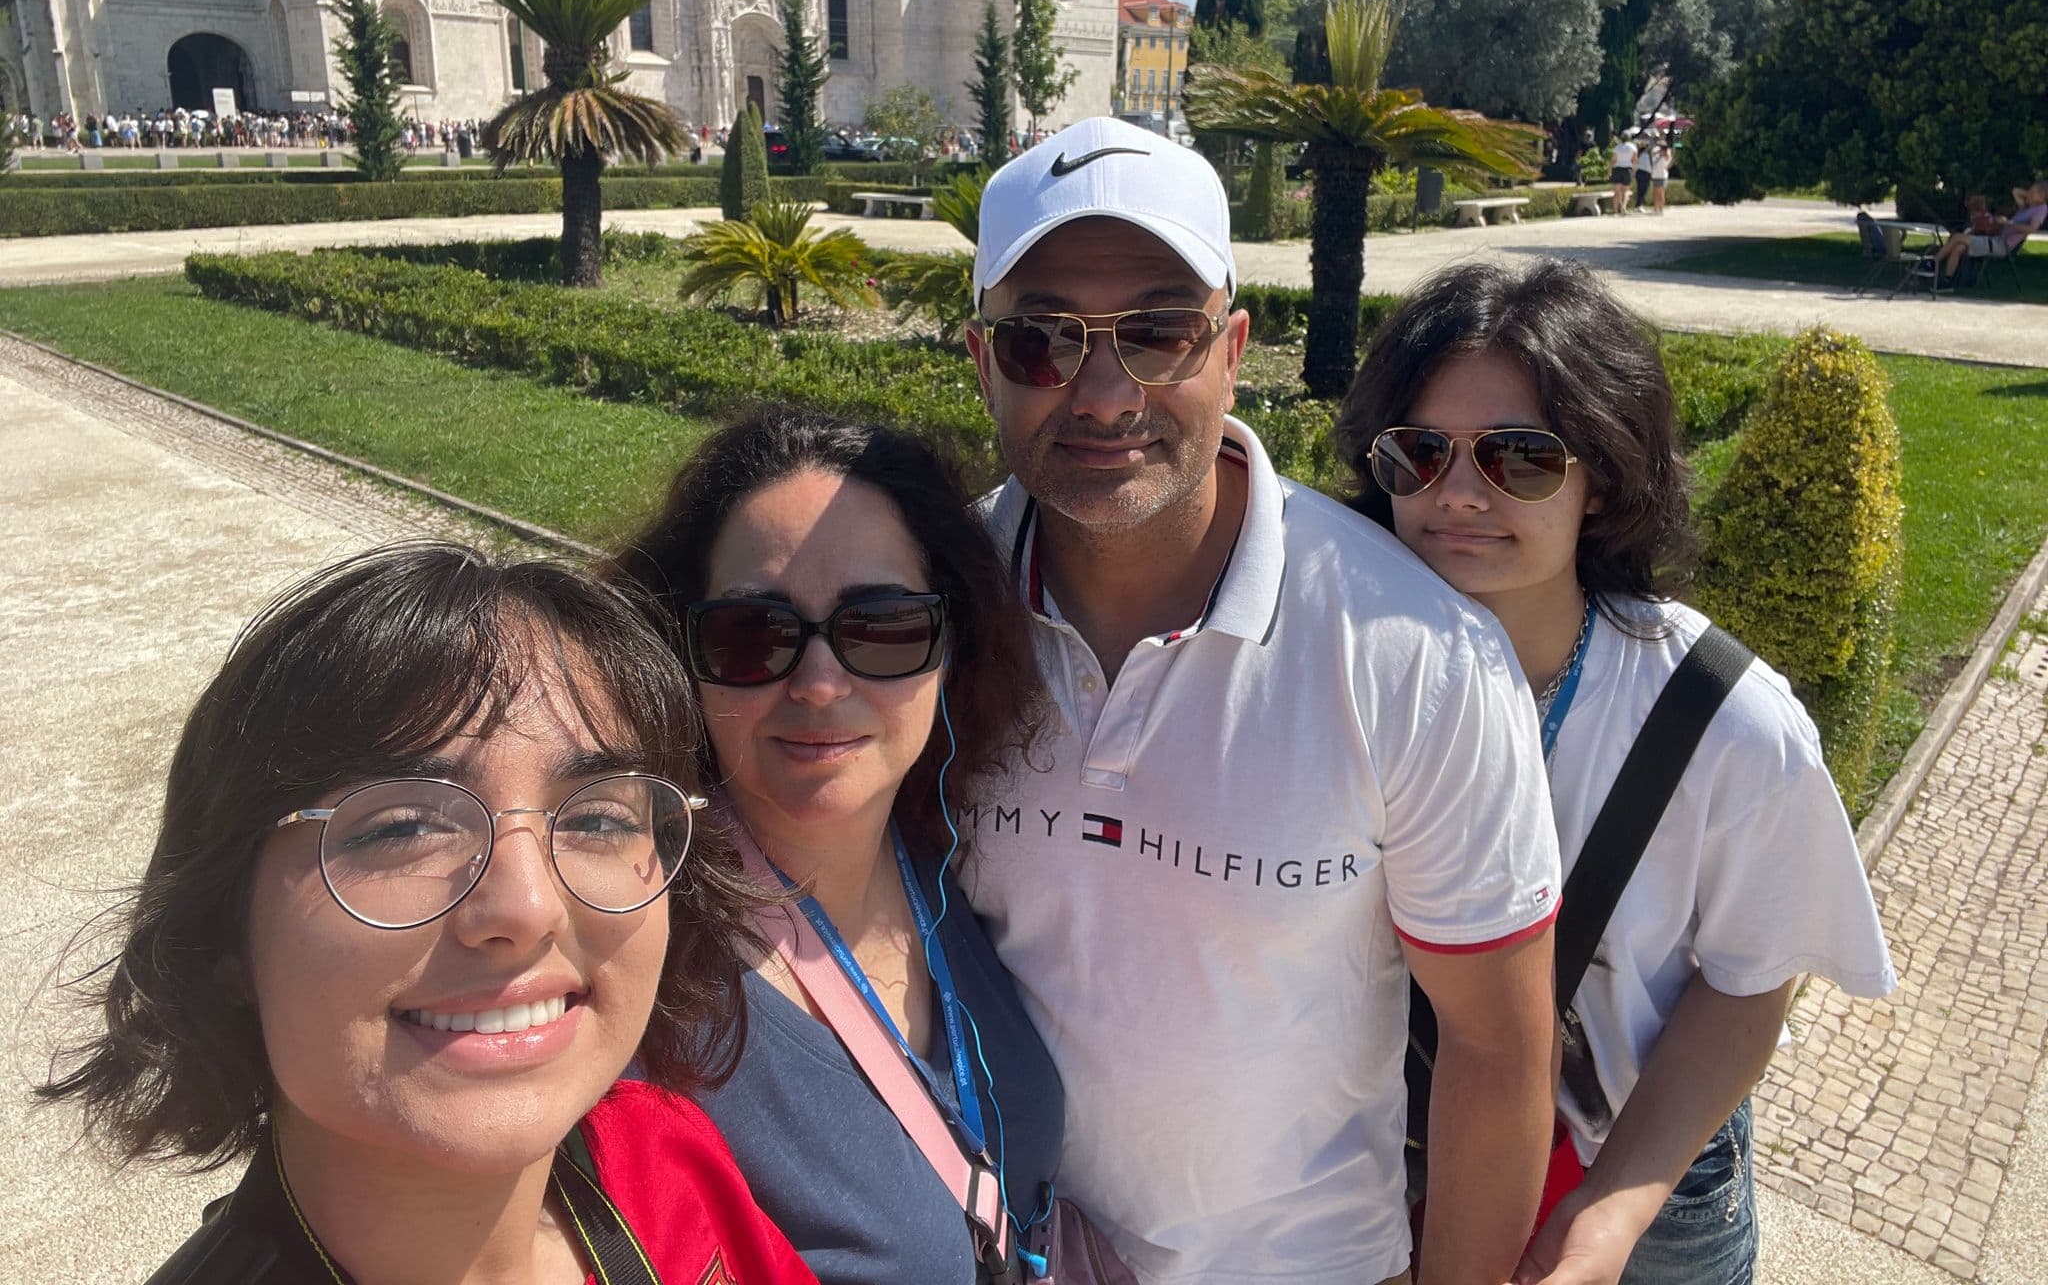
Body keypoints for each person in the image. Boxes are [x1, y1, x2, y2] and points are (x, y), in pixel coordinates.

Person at [957, 117, 1563, 1285]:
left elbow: (1496, 1049)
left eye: (1155, 333)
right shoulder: (924, 614)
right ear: (980, 357)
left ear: (1232, 347)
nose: (1099, 392)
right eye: (1040, 340)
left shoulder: (1416, 656)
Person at [38, 543, 816, 1285]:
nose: (528, 905)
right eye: (402, 827)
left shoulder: (660, 1153)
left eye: (599, 819)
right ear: (225, 935)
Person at [1335, 261, 1896, 1285]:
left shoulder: (1723, 724)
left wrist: (1609, 1212)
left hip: (1634, 1171)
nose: (1455, 493)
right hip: (1384, 1158)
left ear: (1603, 482)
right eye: (1417, 453)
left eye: (1520, 458)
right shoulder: (1326, 672)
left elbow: (1745, 982)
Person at [606, 411, 1063, 1285]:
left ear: (950, 642)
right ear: (680, 651)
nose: (819, 684)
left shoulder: (946, 859)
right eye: (752, 636)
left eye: (882, 628)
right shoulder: (642, 973)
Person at [1924, 178, 2047, 287]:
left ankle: (1932, 263)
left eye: (2033, 192)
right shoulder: (2027, 207)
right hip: (1996, 239)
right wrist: (2031, 196)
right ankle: (1947, 281)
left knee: (1957, 237)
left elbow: (2032, 229)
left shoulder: (2041, 209)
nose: (2029, 194)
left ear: (2042, 196)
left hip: (2002, 245)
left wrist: (2008, 223)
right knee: (1958, 247)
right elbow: (2016, 191)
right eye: (2029, 191)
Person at [1610, 131, 1639, 215]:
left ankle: (1615, 211)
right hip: (1627, 169)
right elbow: (1635, 160)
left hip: (1618, 169)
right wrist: (1634, 170)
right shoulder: (1633, 147)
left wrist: (1610, 170)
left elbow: (1613, 160)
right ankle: (1624, 206)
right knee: (1626, 191)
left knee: (1617, 191)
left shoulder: (1617, 147)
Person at [1648, 142, 1672, 216]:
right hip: (1655, 176)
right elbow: (1652, 153)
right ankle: (1656, 208)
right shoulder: (1656, 156)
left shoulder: (1666, 157)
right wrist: (1658, 151)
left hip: (1662, 177)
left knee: (1661, 193)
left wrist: (1667, 150)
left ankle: (1661, 209)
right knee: (1655, 193)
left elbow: (1669, 157)